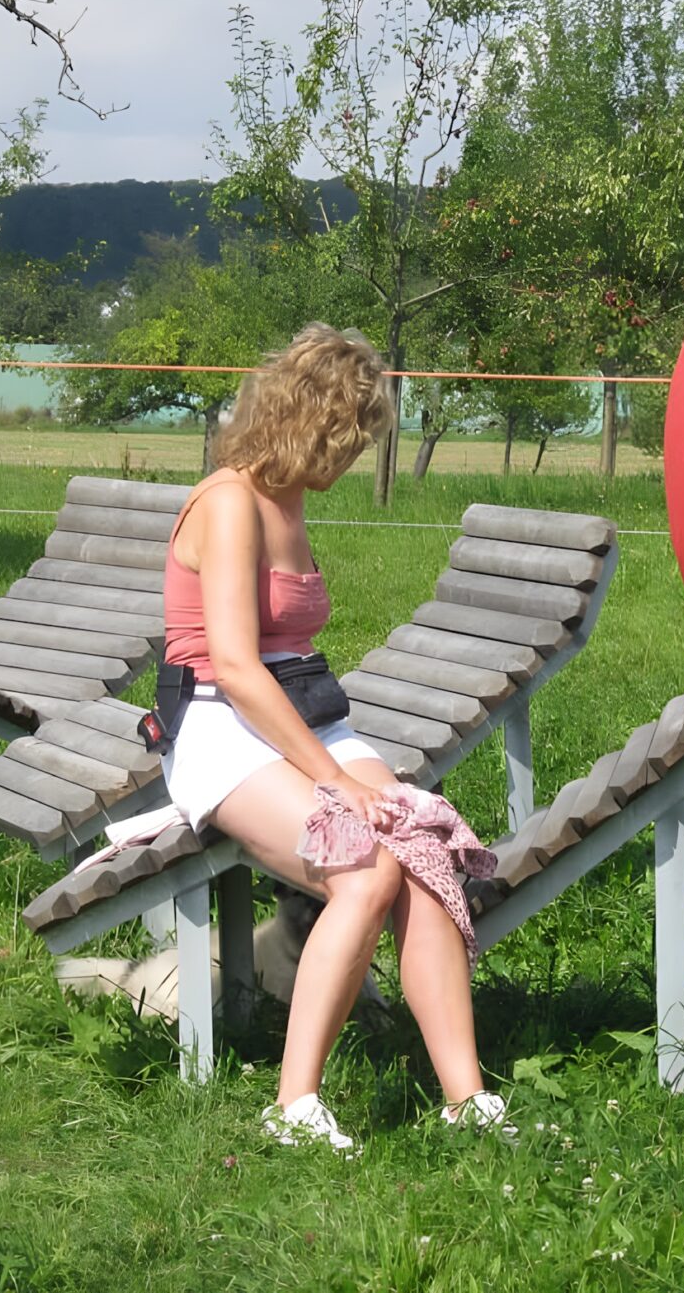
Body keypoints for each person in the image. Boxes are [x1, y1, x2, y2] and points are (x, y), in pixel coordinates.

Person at [157, 323, 505, 1154]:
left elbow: (289, 666)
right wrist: (336, 783)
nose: (348, 462)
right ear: (302, 422)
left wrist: (339, 768)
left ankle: (468, 1098)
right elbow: (238, 668)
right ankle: (295, 1101)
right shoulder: (230, 501)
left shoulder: (290, 498)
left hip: (307, 714)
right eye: (343, 442)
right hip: (222, 724)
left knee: (420, 848)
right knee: (363, 865)